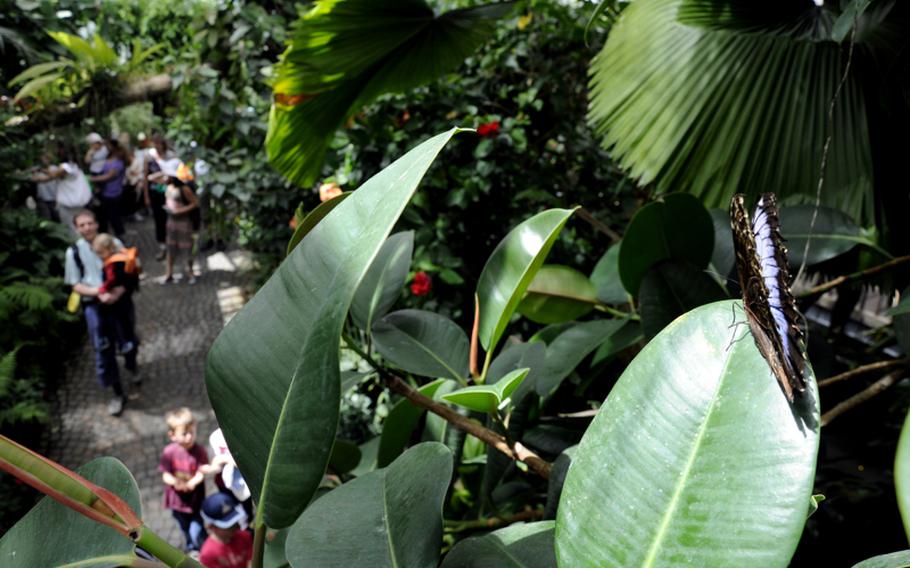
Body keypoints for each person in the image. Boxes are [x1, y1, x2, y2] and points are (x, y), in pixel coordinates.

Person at [63, 210, 138, 416]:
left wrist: (119, 291)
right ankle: (117, 392)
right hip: (95, 305)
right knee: (103, 347)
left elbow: (131, 269)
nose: (87, 228)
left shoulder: (113, 242)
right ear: (77, 228)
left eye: (90, 223)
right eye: (82, 225)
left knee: (129, 336)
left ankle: (132, 365)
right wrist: (99, 293)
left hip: (120, 300)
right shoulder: (74, 253)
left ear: (97, 224)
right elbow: (74, 284)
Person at [159, 408, 225, 553]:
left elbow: (201, 471)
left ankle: (201, 548)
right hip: (177, 503)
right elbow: (165, 475)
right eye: (184, 433)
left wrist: (192, 483)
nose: (189, 437)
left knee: (197, 529)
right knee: (184, 527)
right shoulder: (169, 452)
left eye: (192, 432)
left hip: (195, 502)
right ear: (172, 435)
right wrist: (177, 483)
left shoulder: (199, 450)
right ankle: (190, 547)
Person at [91, 233, 141, 360]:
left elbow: (112, 279)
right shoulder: (122, 257)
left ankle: (113, 340)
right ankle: (128, 342)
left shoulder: (113, 263)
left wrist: (103, 289)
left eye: (101, 253)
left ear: (108, 249)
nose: (100, 257)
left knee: (108, 316)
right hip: (122, 297)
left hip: (118, 298)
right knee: (124, 321)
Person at [161, 176, 200, 284]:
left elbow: (195, 203)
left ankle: (190, 272)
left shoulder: (184, 189)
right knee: (170, 247)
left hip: (184, 222)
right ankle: (169, 273)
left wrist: (181, 210)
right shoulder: (168, 187)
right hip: (171, 222)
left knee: (187, 247)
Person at [198, 492, 253, 568]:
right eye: (228, 525)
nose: (235, 526)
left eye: (235, 521)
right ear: (211, 526)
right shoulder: (207, 554)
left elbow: (251, 560)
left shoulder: (245, 536)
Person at [90, 139, 131, 238]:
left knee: (115, 217)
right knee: (105, 217)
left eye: (107, 145)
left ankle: (121, 236)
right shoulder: (108, 158)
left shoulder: (119, 162)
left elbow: (109, 176)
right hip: (105, 193)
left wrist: (92, 179)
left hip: (114, 194)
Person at [145, 136, 177, 260]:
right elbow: (146, 177)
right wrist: (146, 195)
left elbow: (175, 175)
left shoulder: (171, 156)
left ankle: (175, 245)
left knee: (173, 218)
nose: (158, 146)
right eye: (155, 143)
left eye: (160, 143)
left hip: (169, 192)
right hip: (155, 194)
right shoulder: (149, 157)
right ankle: (163, 247)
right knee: (159, 220)